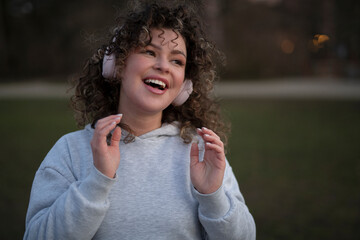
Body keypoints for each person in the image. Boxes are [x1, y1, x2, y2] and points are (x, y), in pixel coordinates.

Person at [24, 2, 256, 239]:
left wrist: (213, 196)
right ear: (117, 63)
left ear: (185, 86)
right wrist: (96, 182)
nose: (163, 66)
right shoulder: (70, 151)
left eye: (177, 61)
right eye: (149, 52)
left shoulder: (202, 153)